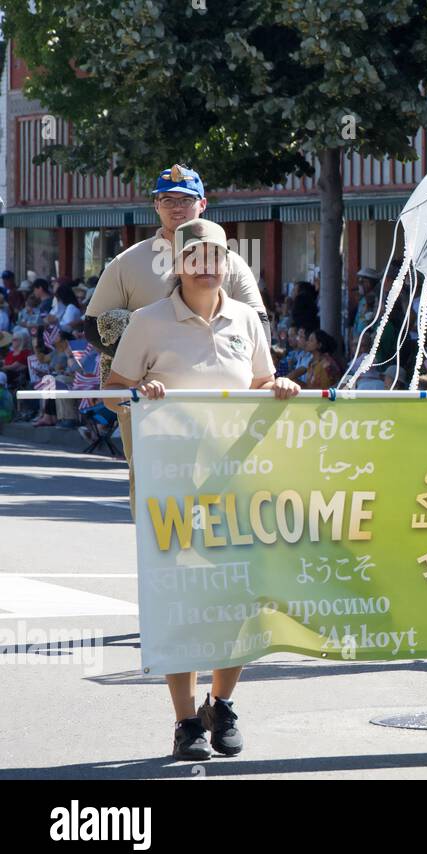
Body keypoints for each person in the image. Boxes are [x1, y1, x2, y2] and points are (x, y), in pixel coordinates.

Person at [103, 218, 300, 760]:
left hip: (237, 480)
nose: (208, 265)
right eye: (196, 256)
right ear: (178, 264)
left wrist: (277, 385)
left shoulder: (246, 319)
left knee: (237, 595)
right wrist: (139, 393)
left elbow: (260, 382)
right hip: (173, 484)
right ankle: (186, 721)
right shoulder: (147, 321)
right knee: (179, 600)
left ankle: (223, 703)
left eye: (217, 255)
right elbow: (112, 392)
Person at [85, 164, 269, 497]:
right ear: (156, 206)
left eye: (185, 200)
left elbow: (259, 326)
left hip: (225, 410)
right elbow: (93, 327)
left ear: (203, 205)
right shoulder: (128, 261)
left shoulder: (234, 262)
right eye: (167, 200)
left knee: (227, 497)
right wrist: (143, 365)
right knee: (156, 492)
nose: (176, 207)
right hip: (149, 400)